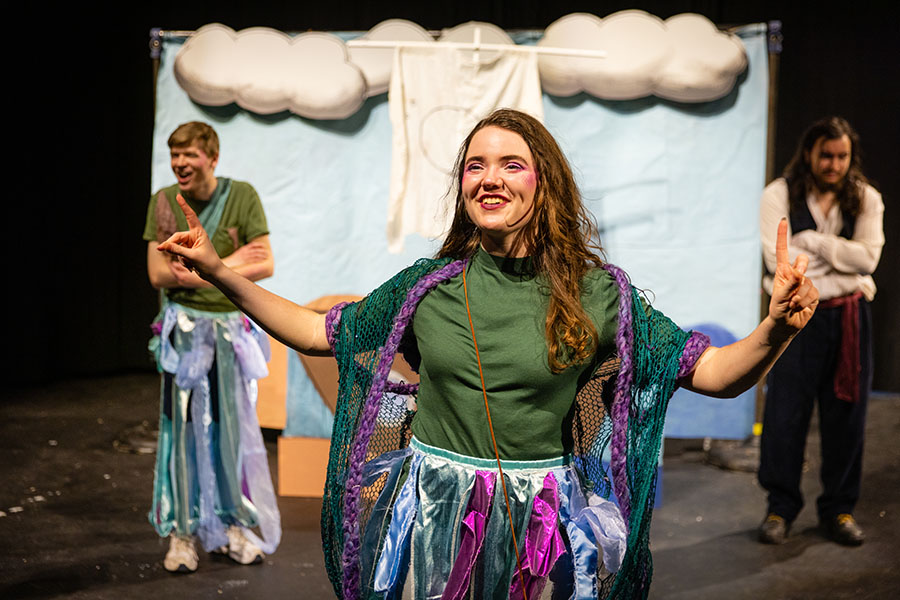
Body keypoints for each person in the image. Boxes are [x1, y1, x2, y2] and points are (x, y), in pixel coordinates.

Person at [156, 109, 817, 598]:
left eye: (510, 164)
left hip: (544, 524)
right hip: (437, 513)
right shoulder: (425, 287)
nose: (489, 178)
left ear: (543, 184)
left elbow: (714, 373)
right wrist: (219, 270)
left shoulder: (598, 293)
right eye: (475, 165)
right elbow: (312, 332)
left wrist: (777, 328)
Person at [144, 121, 281, 573]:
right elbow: (160, 273)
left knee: (231, 432)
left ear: (212, 158)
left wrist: (209, 265)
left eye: (190, 155)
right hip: (184, 332)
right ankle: (182, 534)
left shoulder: (241, 195)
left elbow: (266, 261)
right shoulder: (164, 201)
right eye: (174, 155)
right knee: (181, 433)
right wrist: (231, 264)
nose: (181, 163)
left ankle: (231, 526)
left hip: (228, 331)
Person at [757, 117, 884, 547]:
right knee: (785, 414)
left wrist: (813, 243)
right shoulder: (779, 193)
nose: (833, 164)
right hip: (794, 317)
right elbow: (780, 264)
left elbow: (868, 260)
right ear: (809, 153)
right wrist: (843, 264)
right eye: (826, 155)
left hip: (848, 320)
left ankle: (839, 509)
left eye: (842, 156)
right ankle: (780, 507)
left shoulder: (866, 198)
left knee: (846, 415)